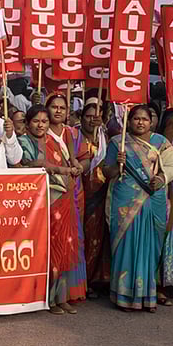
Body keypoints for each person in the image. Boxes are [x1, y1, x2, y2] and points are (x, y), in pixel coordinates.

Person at [99, 105, 173, 312]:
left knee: (151, 247)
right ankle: (123, 296)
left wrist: (162, 179)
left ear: (151, 121)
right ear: (130, 120)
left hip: (154, 198)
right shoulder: (117, 143)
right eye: (136, 118)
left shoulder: (161, 143)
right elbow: (107, 172)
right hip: (125, 200)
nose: (140, 122)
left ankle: (147, 296)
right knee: (126, 244)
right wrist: (116, 164)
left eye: (144, 119)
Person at [17, 106, 80, 314]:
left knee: (64, 245)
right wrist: (58, 169)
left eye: (44, 121)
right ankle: (45, 298)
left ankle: (60, 297)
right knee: (45, 249)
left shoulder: (55, 141)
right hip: (41, 202)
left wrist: (75, 167)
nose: (41, 125)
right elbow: (29, 163)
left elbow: (70, 162)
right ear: (28, 123)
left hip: (63, 198)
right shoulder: (23, 142)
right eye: (36, 121)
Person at [45, 94, 90, 303]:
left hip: (71, 194)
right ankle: (50, 295)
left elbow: (84, 159)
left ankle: (66, 293)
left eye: (62, 108)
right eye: (53, 107)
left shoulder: (72, 134)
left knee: (70, 242)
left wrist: (81, 166)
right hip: (50, 195)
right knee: (52, 242)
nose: (58, 111)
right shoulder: (40, 132)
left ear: (67, 111)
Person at [80, 99, 111, 294]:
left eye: (96, 116)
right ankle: (82, 280)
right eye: (89, 116)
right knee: (83, 236)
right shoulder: (74, 136)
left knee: (99, 237)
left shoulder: (103, 137)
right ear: (81, 118)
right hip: (81, 192)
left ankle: (97, 278)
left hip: (101, 193)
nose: (93, 120)